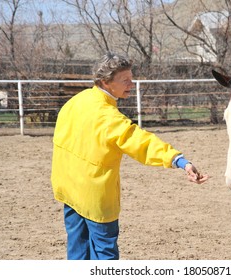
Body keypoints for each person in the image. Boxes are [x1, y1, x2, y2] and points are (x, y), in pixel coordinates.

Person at [51, 52, 209, 260]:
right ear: (106, 82)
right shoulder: (109, 117)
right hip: (95, 197)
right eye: (125, 80)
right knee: (105, 252)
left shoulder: (75, 101)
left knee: (77, 249)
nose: (131, 84)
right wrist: (179, 160)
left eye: (131, 78)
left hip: (69, 190)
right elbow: (141, 142)